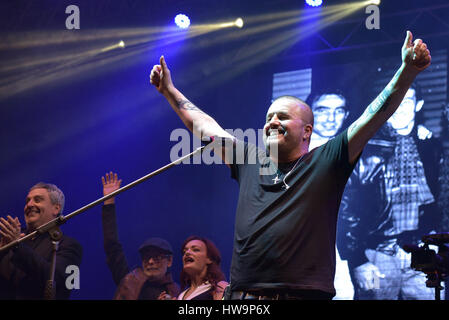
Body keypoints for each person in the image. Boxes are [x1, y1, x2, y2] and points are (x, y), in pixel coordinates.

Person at [150, 30, 431, 299]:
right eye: (269, 116)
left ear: (307, 130)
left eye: (282, 116)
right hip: (243, 296)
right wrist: (169, 91)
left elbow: (373, 116)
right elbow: (205, 126)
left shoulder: (326, 160)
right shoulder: (250, 160)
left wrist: (407, 72)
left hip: (303, 294)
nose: (272, 121)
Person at [338, 84, 444, 299]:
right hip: (377, 255)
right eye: (394, 101)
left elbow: (442, 198)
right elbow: (345, 206)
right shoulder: (363, 147)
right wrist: (357, 259)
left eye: (408, 101)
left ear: (419, 105)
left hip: (422, 250)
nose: (400, 107)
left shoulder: (430, 146)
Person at [306, 89, 354, 300]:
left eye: (338, 111)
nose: (331, 118)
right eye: (323, 111)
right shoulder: (296, 151)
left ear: (346, 114)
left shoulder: (347, 147)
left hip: (338, 246)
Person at [101, 172, 180, 300]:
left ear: (169, 261)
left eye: (157, 257)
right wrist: (109, 202)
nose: (150, 262)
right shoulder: (129, 280)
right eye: (146, 257)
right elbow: (112, 246)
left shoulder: (177, 292)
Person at [0, 182, 82, 299]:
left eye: (37, 200)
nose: (29, 204)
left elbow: (58, 281)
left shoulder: (70, 246)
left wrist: (17, 245)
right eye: (27, 201)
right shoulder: (9, 238)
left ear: (56, 208)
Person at [159, 235, 228, 300]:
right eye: (184, 251)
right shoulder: (181, 295)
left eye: (195, 250)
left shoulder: (219, 288)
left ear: (209, 259)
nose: (187, 253)